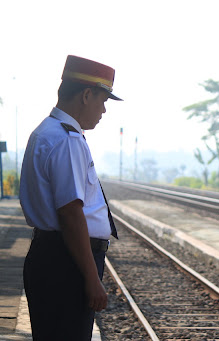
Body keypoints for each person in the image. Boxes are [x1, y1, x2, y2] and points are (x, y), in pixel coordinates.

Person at [19, 55, 122, 340]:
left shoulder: (46, 131)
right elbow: (71, 214)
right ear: (87, 95)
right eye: (103, 101)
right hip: (66, 263)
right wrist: (91, 278)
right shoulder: (67, 140)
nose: (103, 110)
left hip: (51, 256)